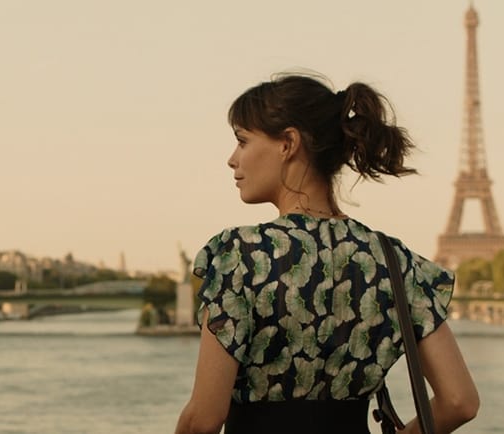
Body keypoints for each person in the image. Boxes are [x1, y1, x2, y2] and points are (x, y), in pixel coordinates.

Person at [175, 74, 479, 434]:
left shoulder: (241, 257)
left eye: (242, 141)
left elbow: (204, 419)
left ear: (288, 143)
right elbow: (460, 401)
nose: (232, 159)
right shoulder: (394, 260)